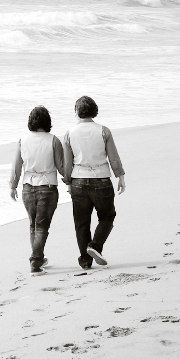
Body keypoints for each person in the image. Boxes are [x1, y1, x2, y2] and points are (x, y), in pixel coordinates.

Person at [62, 96, 126, 270]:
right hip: (102, 179)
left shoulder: (69, 133)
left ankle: (85, 260)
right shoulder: (104, 131)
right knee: (107, 216)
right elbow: (113, 157)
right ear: (94, 110)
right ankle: (95, 246)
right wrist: (120, 176)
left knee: (81, 222)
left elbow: (67, 163)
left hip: (78, 180)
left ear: (77, 112)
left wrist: (68, 181)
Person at [9, 106, 66, 277]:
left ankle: (39, 257)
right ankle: (35, 262)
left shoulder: (22, 140)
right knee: (42, 226)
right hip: (47, 187)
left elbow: (16, 167)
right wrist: (71, 178)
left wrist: (12, 186)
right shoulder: (53, 140)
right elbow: (61, 167)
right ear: (47, 121)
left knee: (33, 225)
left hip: (27, 187)